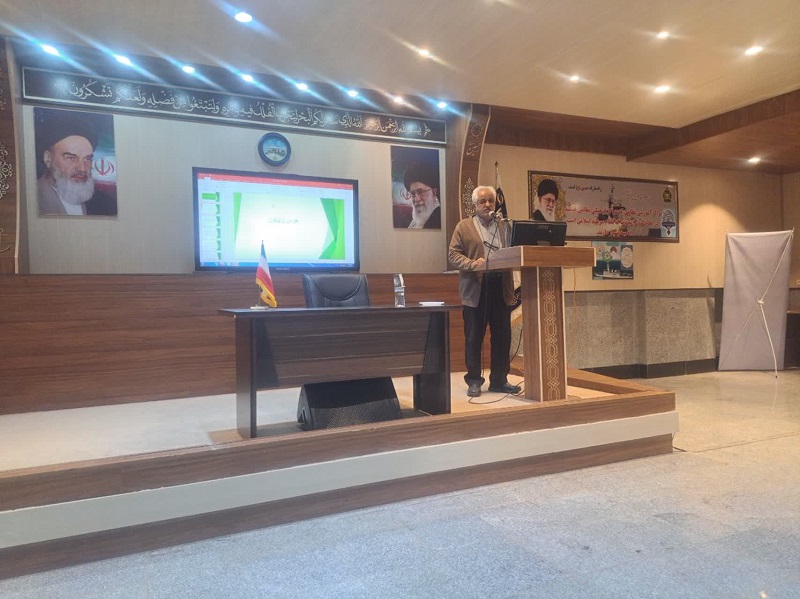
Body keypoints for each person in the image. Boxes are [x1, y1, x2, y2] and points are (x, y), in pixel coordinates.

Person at [448, 185, 520, 397]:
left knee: (502, 337)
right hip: (476, 289)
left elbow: (515, 251)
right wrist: (473, 264)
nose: (487, 204)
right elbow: (453, 255)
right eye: (482, 201)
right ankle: (474, 381)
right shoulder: (464, 226)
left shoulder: (505, 226)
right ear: (475, 205)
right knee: (473, 338)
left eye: (491, 201)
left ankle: (499, 380)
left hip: (501, 287)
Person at [36, 111, 117, 216]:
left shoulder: (106, 204)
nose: (82, 168)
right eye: (71, 158)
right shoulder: (33, 198)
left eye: (87, 159)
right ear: (48, 159)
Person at [403, 162, 441, 229]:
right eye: (413, 194)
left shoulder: (440, 218)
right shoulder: (414, 222)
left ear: (434, 193)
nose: (416, 199)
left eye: (421, 192)